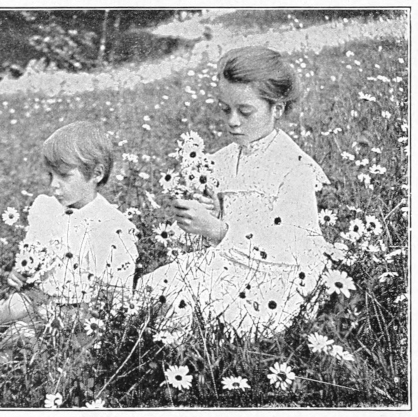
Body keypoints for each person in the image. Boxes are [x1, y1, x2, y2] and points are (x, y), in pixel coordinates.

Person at [137, 46, 332, 337]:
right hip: (227, 263)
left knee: (190, 308)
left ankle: (184, 354)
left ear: (277, 109)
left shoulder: (293, 166)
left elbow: (299, 248)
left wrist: (218, 229)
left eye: (245, 111)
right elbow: (208, 234)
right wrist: (206, 216)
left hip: (274, 279)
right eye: (225, 109)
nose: (233, 121)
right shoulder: (220, 161)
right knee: (152, 289)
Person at [0, 121, 139, 341]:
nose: (53, 185)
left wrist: (61, 314)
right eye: (50, 176)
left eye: (64, 176)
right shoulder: (48, 209)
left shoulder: (111, 227)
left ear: (96, 174)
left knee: (20, 335)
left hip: (80, 315)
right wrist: (20, 273)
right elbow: (31, 255)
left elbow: (115, 298)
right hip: (39, 296)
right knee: (7, 309)